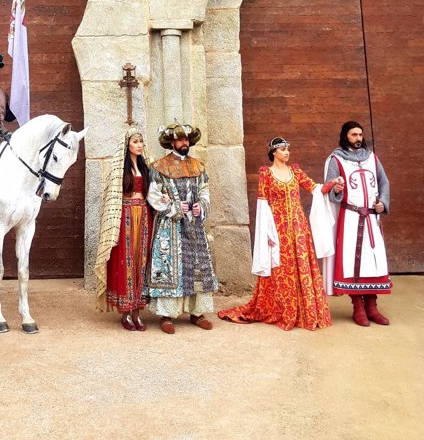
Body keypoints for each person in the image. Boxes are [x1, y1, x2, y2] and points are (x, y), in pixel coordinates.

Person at [219, 137, 341, 331]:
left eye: (287, 149)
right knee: (282, 270)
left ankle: (305, 311)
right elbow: (262, 204)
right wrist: (266, 231)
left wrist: (332, 184)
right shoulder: (266, 174)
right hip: (278, 229)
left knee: (301, 266)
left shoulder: (295, 171)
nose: (286, 152)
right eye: (282, 149)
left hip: (299, 227)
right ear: (273, 152)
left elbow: (314, 188)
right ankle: (284, 310)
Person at [146, 122, 218, 333]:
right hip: (170, 225)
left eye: (186, 139)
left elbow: (204, 189)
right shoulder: (159, 167)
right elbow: (153, 194)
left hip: (194, 226)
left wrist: (201, 205)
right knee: (169, 265)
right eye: (180, 139)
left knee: (197, 265)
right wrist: (174, 206)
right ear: (172, 142)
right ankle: (166, 315)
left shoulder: (198, 166)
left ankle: (197, 313)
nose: (184, 142)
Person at [323, 121, 391, 326]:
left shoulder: (372, 158)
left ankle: (372, 307)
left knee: (373, 261)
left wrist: (383, 203)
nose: (358, 138)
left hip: (371, 218)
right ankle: (358, 308)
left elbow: (384, 182)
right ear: (345, 136)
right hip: (351, 218)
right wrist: (336, 189)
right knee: (354, 263)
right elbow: (329, 187)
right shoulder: (336, 159)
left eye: (360, 134)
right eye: (354, 135)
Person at [94, 128, 152, 331]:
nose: (139, 145)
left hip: (144, 216)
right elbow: (111, 197)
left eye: (141, 141)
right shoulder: (119, 169)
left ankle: (138, 311)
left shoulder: (146, 168)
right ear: (127, 145)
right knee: (125, 261)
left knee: (141, 261)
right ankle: (126, 312)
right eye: (135, 141)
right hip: (125, 216)